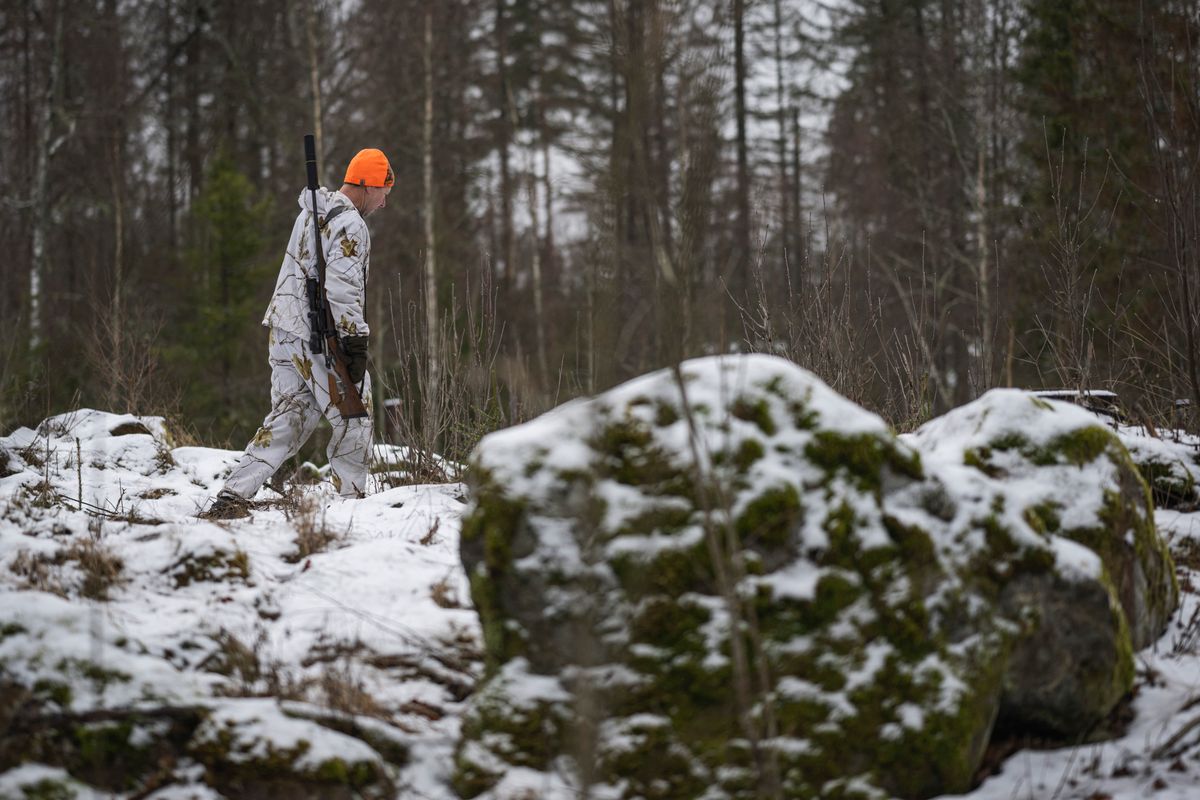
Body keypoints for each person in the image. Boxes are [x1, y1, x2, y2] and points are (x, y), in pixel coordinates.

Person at [201, 148, 393, 519]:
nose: (384, 202)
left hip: (283, 328)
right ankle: (352, 507)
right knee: (356, 414)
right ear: (369, 185)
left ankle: (233, 494)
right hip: (318, 334)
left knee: (291, 417)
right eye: (385, 191)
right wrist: (354, 341)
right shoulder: (351, 224)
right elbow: (341, 288)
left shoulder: (311, 213)